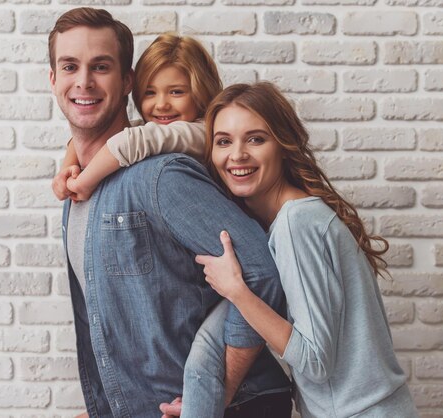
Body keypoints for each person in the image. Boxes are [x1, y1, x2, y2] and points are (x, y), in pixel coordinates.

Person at [49, 8, 291, 418]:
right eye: (70, 66)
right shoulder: (78, 190)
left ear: (126, 81)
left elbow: (262, 271)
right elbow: (122, 322)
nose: (84, 81)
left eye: (101, 67)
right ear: (53, 79)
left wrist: (217, 391)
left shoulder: (161, 174)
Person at [190, 82, 419, 417]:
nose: (237, 154)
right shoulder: (300, 216)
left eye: (256, 139)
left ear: (282, 146)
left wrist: (237, 291)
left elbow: (314, 361)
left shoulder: (295, 224)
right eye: (224, 141)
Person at [52, 33, 215, 202]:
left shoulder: (207, 132)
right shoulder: (154, 132)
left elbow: (132, 140)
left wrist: (83, 183)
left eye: (176, 92)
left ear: (201, 92)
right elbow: (125, 135)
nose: (161, 105)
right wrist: (68, 167)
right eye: (150, 92)